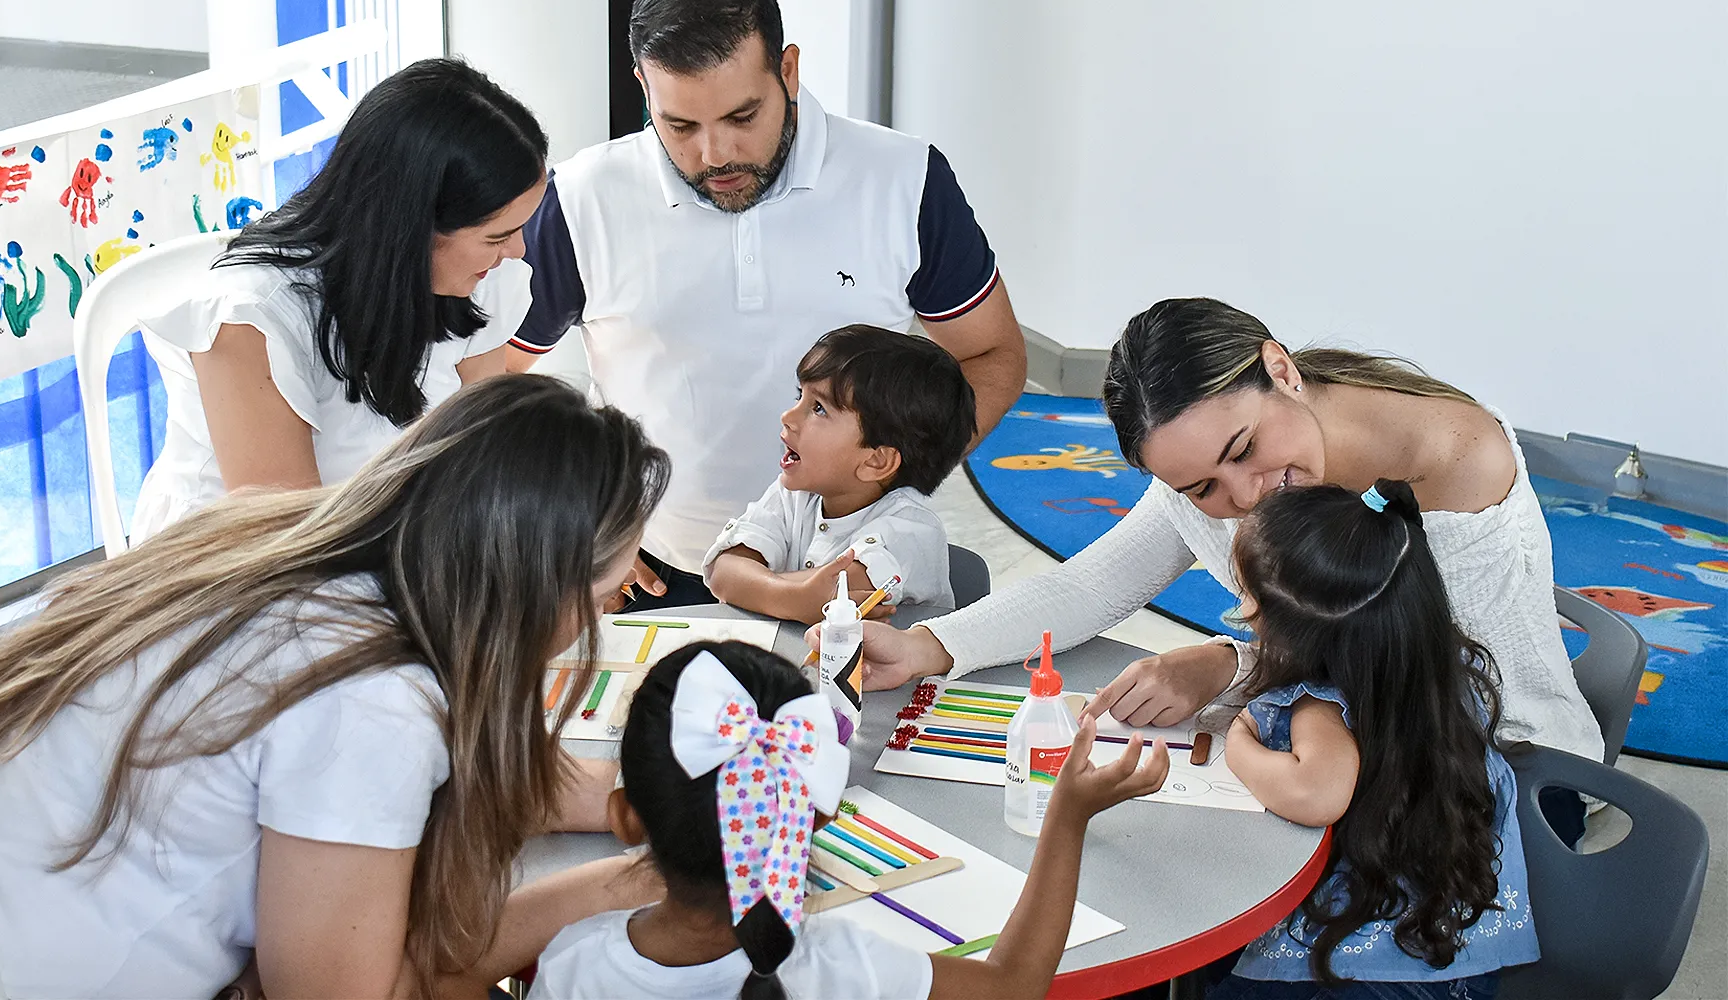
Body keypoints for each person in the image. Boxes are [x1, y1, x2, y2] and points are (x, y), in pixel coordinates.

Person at [0, 376, 666, 997]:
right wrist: (632, 884)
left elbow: (488, 772)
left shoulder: (260, 536)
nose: (595, 623)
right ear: (528, 590)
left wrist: (646, 795)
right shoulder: (372, 699)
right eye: (602, 598)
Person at [852, 297, 1602, 843]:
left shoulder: (1452, 461)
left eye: (1243, 451)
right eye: (1200, 487)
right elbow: (1092, 582)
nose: (1243, 497)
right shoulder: (1217, 457)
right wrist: (928, 645)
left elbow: (1426, 682)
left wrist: (1232, 665)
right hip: (1344, 751)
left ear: (1281, 369)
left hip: (1500, 777)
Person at [505, 0, 1027, 610]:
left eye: (742, 117)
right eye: (680, 125)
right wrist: (570, 517)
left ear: (788, 70)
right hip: (651, 577)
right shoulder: (583, 198)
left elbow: (990, 355)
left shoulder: (904, 179)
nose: (715, 155)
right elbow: (484, 385)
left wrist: (892, 478)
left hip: (855, 578)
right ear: (643, 86)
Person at [527, 640, 1169, 1000]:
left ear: (625, 818)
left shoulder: (570, 969)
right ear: (820, 811)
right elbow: (1012, 986)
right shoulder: (843, 967)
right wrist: (1066, 818)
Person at [130, 57, 549, 542]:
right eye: (497, 236)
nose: (517, 250)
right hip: (241, 563)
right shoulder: (252, 318)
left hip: (388, 538)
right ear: (412, 227)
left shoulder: (472, 277)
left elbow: (484, 456)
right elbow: (285, 545)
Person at [1210, 480, 1538, 997]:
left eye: (1247, 596)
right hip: (1456, 948)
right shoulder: (1440, 675)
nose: (1244, 610)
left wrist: (1239, 742)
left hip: (1366, 965)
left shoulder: (1319, 705)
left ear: (1285, 627)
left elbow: (1315, 793)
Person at [703, 325, 976, 624]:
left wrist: (762, 586)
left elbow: (838, 592)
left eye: (819, 408)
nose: (788, 417)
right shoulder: (794, 495)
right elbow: (724, 571)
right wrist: (794, 599)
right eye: (800, 396)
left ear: (876, 461)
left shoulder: (912, 531)